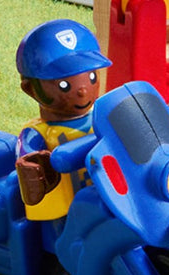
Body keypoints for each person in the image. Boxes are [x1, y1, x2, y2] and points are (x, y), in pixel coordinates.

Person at [14, 19, 111, 222]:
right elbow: (27, 159)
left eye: (92, 78)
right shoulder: (36, 133)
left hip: (107, 196)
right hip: (61, 211)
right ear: (30, 89)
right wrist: (35, 166)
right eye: (65, 85)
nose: (83, 90)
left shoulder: (101, 114)